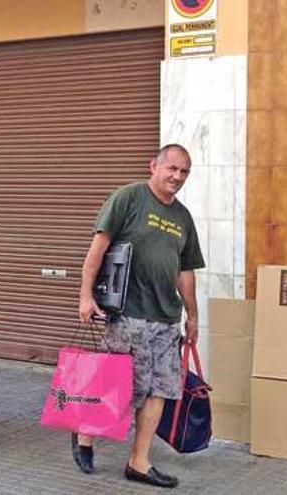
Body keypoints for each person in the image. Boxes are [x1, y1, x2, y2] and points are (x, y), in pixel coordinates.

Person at [75, 144, 205, 488]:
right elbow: (97, 249)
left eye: (184, 172)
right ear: (154, 166)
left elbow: (185, 271)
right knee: (118, 386)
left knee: (158, 389)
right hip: (128, 314)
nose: (177, 177)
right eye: (172, 169)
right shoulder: (128, 198)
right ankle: (86, 436)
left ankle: (139, 462)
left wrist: (192, 315)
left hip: (166, 319)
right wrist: (85, 296)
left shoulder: (183, 217)